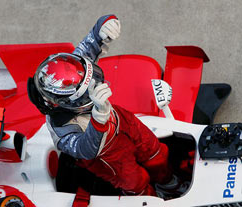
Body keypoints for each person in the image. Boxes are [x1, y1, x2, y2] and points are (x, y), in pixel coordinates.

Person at [27, 14, 173, 196]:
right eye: (85, 90)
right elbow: (85, 150)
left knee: (155, 152)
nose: (93, 87)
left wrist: (104, 24)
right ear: (67, 102)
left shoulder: (73, 68)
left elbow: (92, 41)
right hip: (108, 157)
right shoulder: (60, 128)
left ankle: (170, 184)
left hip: (124, 121)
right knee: (135, 182)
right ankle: (152, 199)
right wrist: (98, 118)